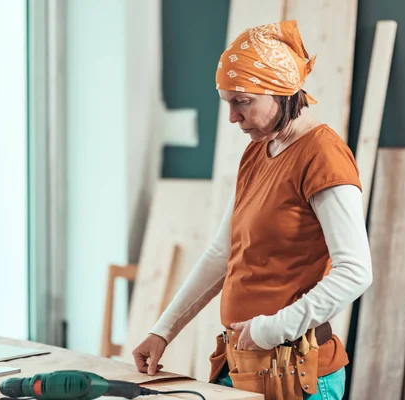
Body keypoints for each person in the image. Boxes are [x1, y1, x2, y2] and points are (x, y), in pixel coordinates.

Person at [132, 20, 372, 400]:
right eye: (228, 102)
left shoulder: (323, 156)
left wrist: (268, 329)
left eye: (242, 101)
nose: (232, 117)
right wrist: (164, 330)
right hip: (241, 367)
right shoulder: (257, 152)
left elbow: (355, 271)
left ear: (282, 91)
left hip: (296, 375)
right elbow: (221, 254)